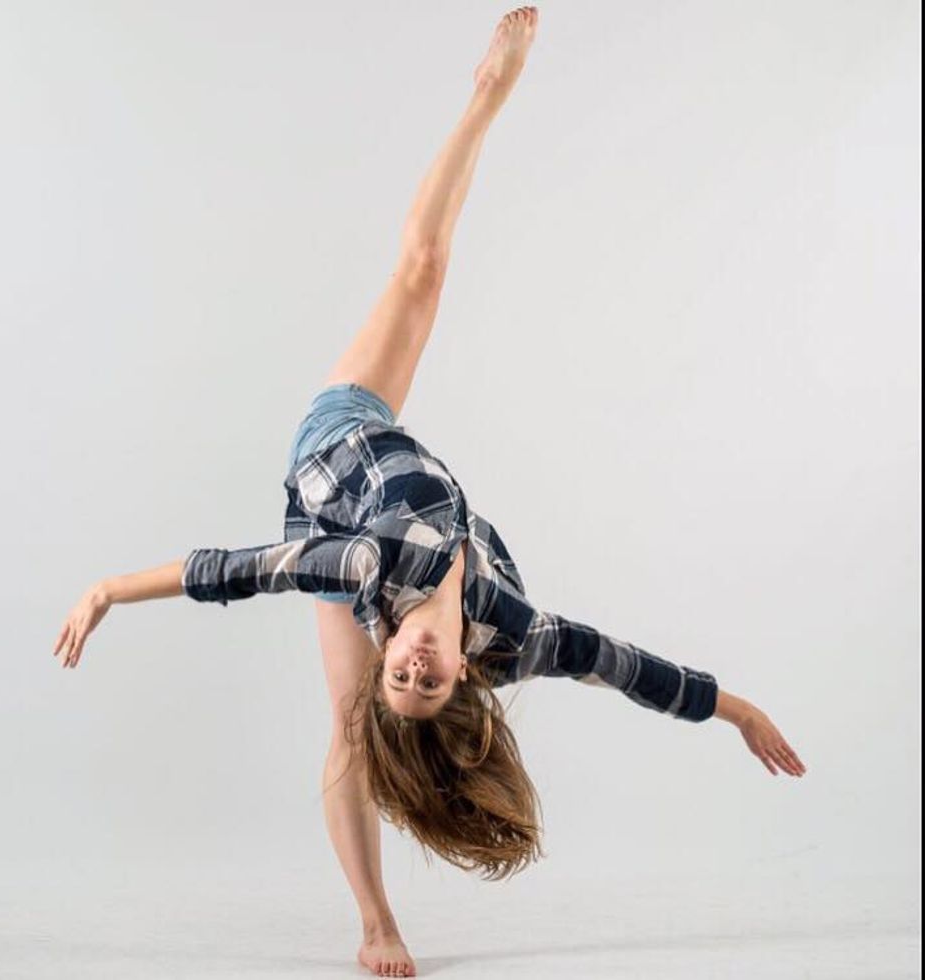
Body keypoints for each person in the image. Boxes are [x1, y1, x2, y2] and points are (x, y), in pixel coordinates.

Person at [53, 8, 806, 977]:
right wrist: (735, 710)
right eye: (427, 679)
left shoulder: (367, 565)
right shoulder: (514, 634)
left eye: (397, 676)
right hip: (373, 473)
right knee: (425, 272)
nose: (409, 664)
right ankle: (377, 923)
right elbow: (628, 669)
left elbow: (236, 570)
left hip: (333, 452)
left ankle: (374, 921)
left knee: (421, 270)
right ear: (459, 677)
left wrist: (109, 589)